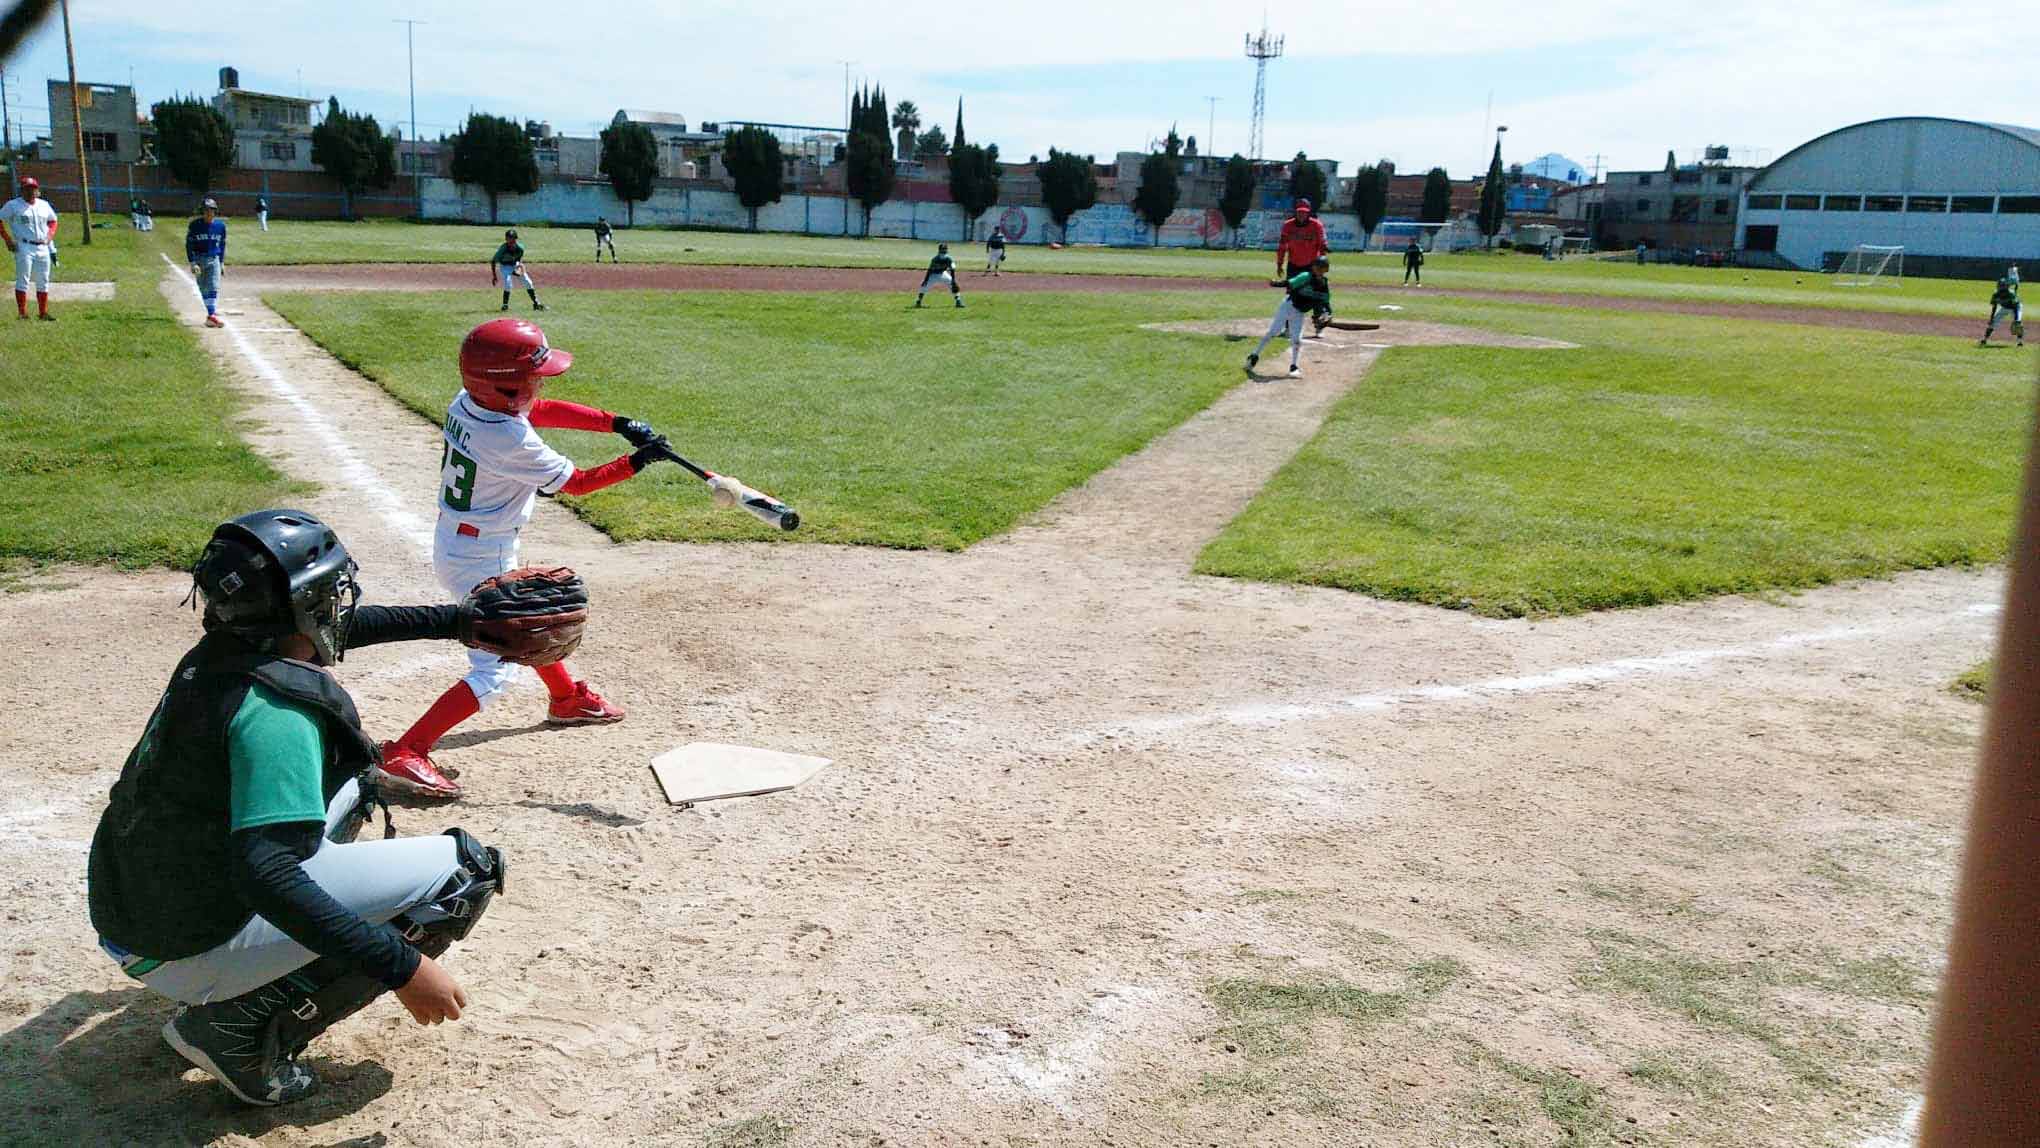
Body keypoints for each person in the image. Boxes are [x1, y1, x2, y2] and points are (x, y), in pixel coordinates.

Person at [87, 509, 516, 1107]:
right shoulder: (277, 717)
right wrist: (403, 968)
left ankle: (231, 979)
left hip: (134, 906)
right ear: (305, 604)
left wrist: (454, 622)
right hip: (182, 942)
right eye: (328, 593)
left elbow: (329, 632)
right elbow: (266, 876)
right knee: (465, 873)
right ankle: (236, 1035)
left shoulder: (223, 652)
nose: (339, 604)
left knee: (355, 786)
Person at [375, 318, 671, 798]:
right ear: (503, 386)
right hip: (478, 553)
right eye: (530, 378)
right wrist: (637, 461)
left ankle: (565, 698)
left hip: (472, 540)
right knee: (496, 667)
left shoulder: (468, 401)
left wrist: (616, 424)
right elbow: (578, 484)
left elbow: (540, 410)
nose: (538, 384)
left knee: (533, 620)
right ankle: (409, 748)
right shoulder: (507, 441)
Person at [1245, 254, 1331, 380]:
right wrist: (1276, 284)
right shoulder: (1305, 276)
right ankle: (1254, 355)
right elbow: (1290, 283)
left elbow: (1325, 301)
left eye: (1322, 268)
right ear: (1313, 267)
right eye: (1317, 267)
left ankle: (1294, 366)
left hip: (1299, 313)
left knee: (1297, 340)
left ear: (1326, 270)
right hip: (1288, 306)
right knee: (1273, 332)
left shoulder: (1324, 284)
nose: (1319, 270)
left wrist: (1328, 313)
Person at [2, 174, 59, 322]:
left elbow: (53, 221)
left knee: (43, 279)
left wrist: (50, 236)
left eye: (33, 188)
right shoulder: (13, 205)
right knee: (23, 279)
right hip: (24, 246)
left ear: (37, 190)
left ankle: (43, 312)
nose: (30, 191)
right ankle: (22, 313)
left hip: (42, 246)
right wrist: (8, 240)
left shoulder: (44, 205)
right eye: (27, 189)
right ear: (21, 190)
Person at [186, 197, 229, 328]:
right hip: (199, 259)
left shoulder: (220, 226)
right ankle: (211, 315)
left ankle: (211, 315)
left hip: (213, 259)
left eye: (211, 210)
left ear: (215, 211)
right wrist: (192, 262)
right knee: (203, 288)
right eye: (206, 210)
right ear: (202, 211)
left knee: (213, 285)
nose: (209, 213)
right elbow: (189, 245)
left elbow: (222, 244)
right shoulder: (194, 225)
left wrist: (221, 262)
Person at [490, 228, 545, 312]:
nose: (509, 240)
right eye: (508, 238)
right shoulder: (503, 249)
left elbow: (519, 259)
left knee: (528, 282)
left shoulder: (520, 248)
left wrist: (519, 267)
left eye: (511, 238)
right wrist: (494, 276)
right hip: (505, 266)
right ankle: (505, 306)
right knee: (508, 283)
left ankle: (536, 304)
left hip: (515, 264)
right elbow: (493, 261)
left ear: (516, 239)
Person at [1275, 197, 1328, 280]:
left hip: (1312, 265)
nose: (1302, 214)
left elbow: (1322, 245)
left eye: (1304, 212)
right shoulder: (1288, 225)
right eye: (1299, 212)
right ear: (1295, 212)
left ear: (1308, 212)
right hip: (1293, 264)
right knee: (1292, 290)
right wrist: (1279, 264)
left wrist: (1321, 267)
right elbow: (1282, 247)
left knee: (1310, 291)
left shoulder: (1316, 225)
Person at [1981, 266, 2023, 347]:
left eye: (2002, 286)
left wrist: (2016, 319)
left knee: (2018, 324)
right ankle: (1984, 340)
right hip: (2004, 308)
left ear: (2006, 286)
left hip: (2015, 308)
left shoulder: (2011, 294)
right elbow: (1994, 307)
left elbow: (2016, 307)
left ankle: (2019, 342)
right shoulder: (1996, 295)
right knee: (1992, 324)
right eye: (2000, 286)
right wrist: (1991, 318)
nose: (2001, 287)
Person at [914, 242, 964, 308]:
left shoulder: (949, 258)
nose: (943, 250)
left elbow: (952, 269)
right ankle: (918, 302)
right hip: (933, 275)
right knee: (924, 287)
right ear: (939, 250)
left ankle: (958, 301)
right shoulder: (935, 259)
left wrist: (953, 281)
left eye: (945, 249)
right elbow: (930, 270)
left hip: (943, 273)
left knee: (953, 285)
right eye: (942, 249)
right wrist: (925, 280)